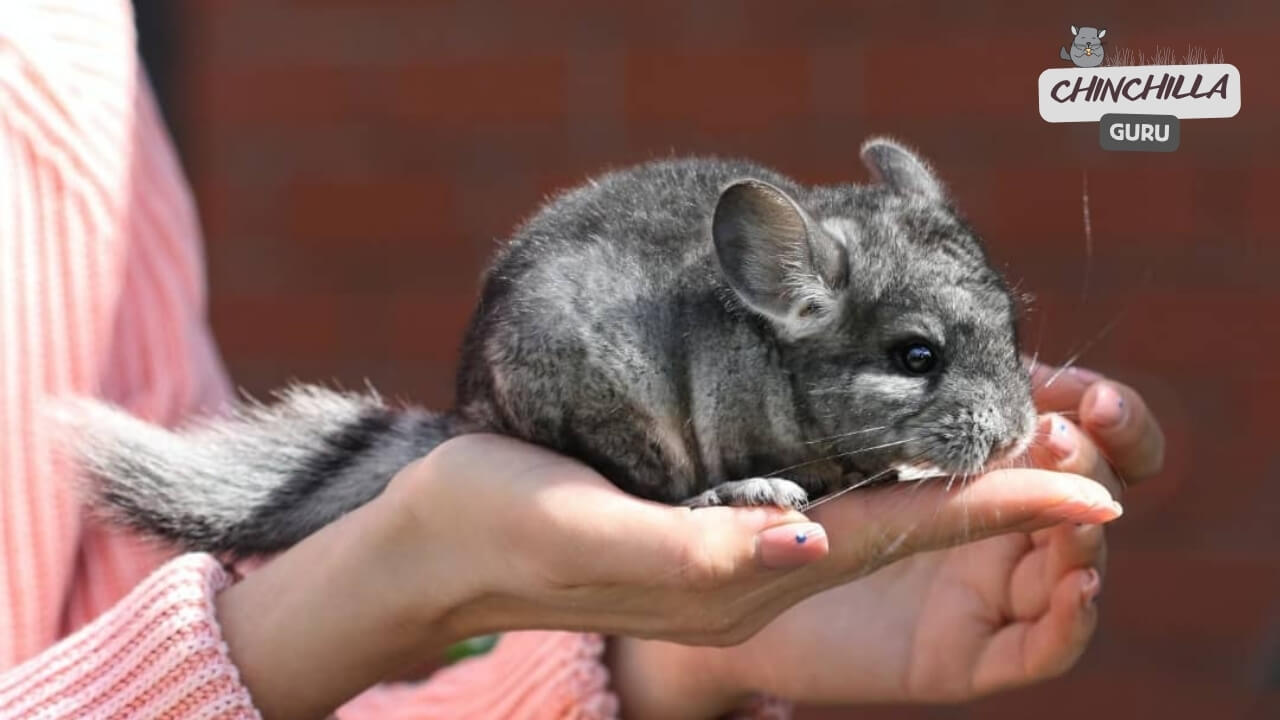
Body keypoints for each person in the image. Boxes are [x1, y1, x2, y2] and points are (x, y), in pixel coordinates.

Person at [0, 2, 1165, 718]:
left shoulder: (74, 66)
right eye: (919, 361)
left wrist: (683, 654)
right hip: (580, 369)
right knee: (595, 323)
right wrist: (390, 574)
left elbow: (255, 670)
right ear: (790, 297)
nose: (992, 407)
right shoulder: (745, 346)